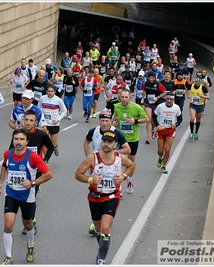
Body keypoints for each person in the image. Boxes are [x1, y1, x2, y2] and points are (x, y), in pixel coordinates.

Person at [75, 130, 135, 265]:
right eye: (104, 141)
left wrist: (124, 176)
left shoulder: (119, 158)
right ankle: (102, 246)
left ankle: (101, 258)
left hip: (112, 197)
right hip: (94, 197)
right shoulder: (92, 158)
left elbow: (131, 165)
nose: (106, 144)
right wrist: (91, 180)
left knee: (105, 227)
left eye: (110, 142)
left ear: (115, 144)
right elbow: (78, 174)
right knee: (98, 229)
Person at [0, 128, 53, 265]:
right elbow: (4, 166)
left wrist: (32, 183)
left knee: (27, 224)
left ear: (27, 141)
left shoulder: (33, 157)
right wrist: (0, 183)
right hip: (11, 193)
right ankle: (8, 257)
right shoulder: (7, 154)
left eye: (21, 139)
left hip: (27, 196)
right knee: (8, 224)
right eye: (16, 139)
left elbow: (48, 174)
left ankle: (31, 246)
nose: (18, 142)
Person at [9, 110, 55, 235]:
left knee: (31, 194)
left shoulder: (41, 135)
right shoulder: (18, 135)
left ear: (36, 122)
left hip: (36, 170)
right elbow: (10, 150)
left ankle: (31, 219)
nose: (28, 123)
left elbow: (51, 147)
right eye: (26, 119)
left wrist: (45, 160)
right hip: (20, 170)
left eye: (31, 120)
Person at [113, 88, 148, 193]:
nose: (124, 99)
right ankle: (118, 186)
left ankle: (129, 179)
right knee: (117, 161)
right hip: (120, 138)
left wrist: (135, 121)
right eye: (122, 97)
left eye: (126, 97)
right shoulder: (117, 107)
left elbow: (146, 119)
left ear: (130, 97)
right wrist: (115, 123)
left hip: (133, 138)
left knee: (131, 162)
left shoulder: (136, 107)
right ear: (120, 97)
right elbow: (115, 118)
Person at [152, 92, 182, 174]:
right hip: (161, 130)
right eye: (167, 99)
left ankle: (164, 166)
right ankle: (161, 157)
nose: (169, 101)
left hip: (170, 130)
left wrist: (176, 124)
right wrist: (157, 125)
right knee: (160, 151)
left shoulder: (176, 108)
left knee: (167, 149)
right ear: (165, 99)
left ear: (173, 99)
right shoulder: (160, 106)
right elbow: (154, 116)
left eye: (171, 99)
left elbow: (180, 118)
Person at [38, 83, 67, 157]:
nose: (50, 93)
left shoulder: (58, 100)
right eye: (49, 91)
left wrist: (58, 119)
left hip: (54, 124)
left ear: (54, 91)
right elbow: (39, 109)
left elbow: (64, 111)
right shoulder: (42, 98)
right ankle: (46, 159)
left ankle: (56, 147)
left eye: (52, 91)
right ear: (46, 91)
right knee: (44, 142)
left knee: (53, 143)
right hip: (45, 124)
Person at [141, 72, 166, 144]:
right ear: (148, 78)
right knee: (148, 119)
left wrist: (157, 97)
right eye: (150, 78)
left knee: (153, 121)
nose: (151, 79)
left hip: (155, 104)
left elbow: (164, 93)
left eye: (152, 78)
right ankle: (148, 137)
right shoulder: (145, 84)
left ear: (154, 78)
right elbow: (144, 91)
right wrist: (142, 98)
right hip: (148, 103)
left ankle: (153, 130)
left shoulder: (158, 84)